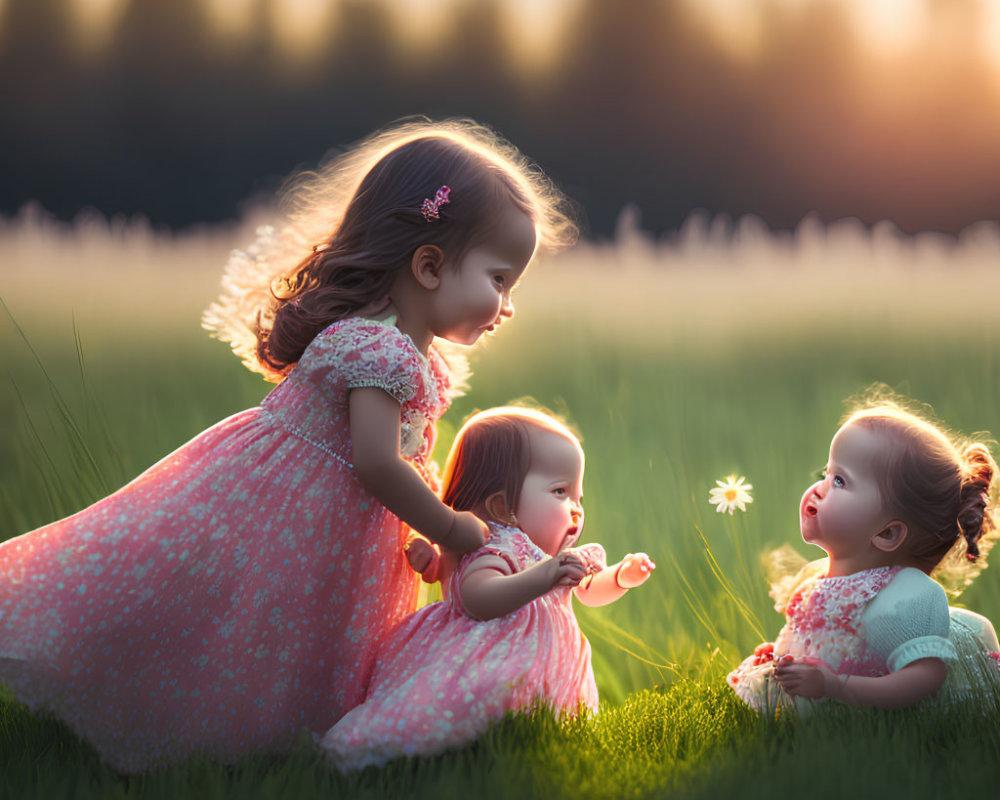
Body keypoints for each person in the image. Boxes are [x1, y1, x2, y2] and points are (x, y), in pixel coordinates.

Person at [0, 119, 577, 771]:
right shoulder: (377, 348)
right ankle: (195, 733)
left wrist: (422, 544)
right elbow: (377, 462)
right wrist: (449, 525)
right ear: (429, 265)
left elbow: (404, 460)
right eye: (499, 280)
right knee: (238, 617)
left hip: (339, 528)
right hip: (293, 511)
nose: (506, 305)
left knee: (299, 639)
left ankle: (270, 748)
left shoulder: (412, 356)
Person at [319, 407, 655, 770]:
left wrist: (620, 577)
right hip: (490, 659)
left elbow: (589, 589)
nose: (576, 510)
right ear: (501, 505)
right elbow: (477, 598)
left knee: (534, 722)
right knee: (473, 708)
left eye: (578, 497)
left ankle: (524, 743)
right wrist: (545, 575)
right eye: (560, 492)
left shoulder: (554, 559)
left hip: (546, 665)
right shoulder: (497, 548)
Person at [728, 396, 1000, 712]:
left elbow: (926, 677)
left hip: (875, 710)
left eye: (840, 481)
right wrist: (784, 656)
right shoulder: (817, 577)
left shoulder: (908, 597)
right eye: (825, 474)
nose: (819, 488)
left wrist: (834, 686)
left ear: (887, 534)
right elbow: (822, 642)